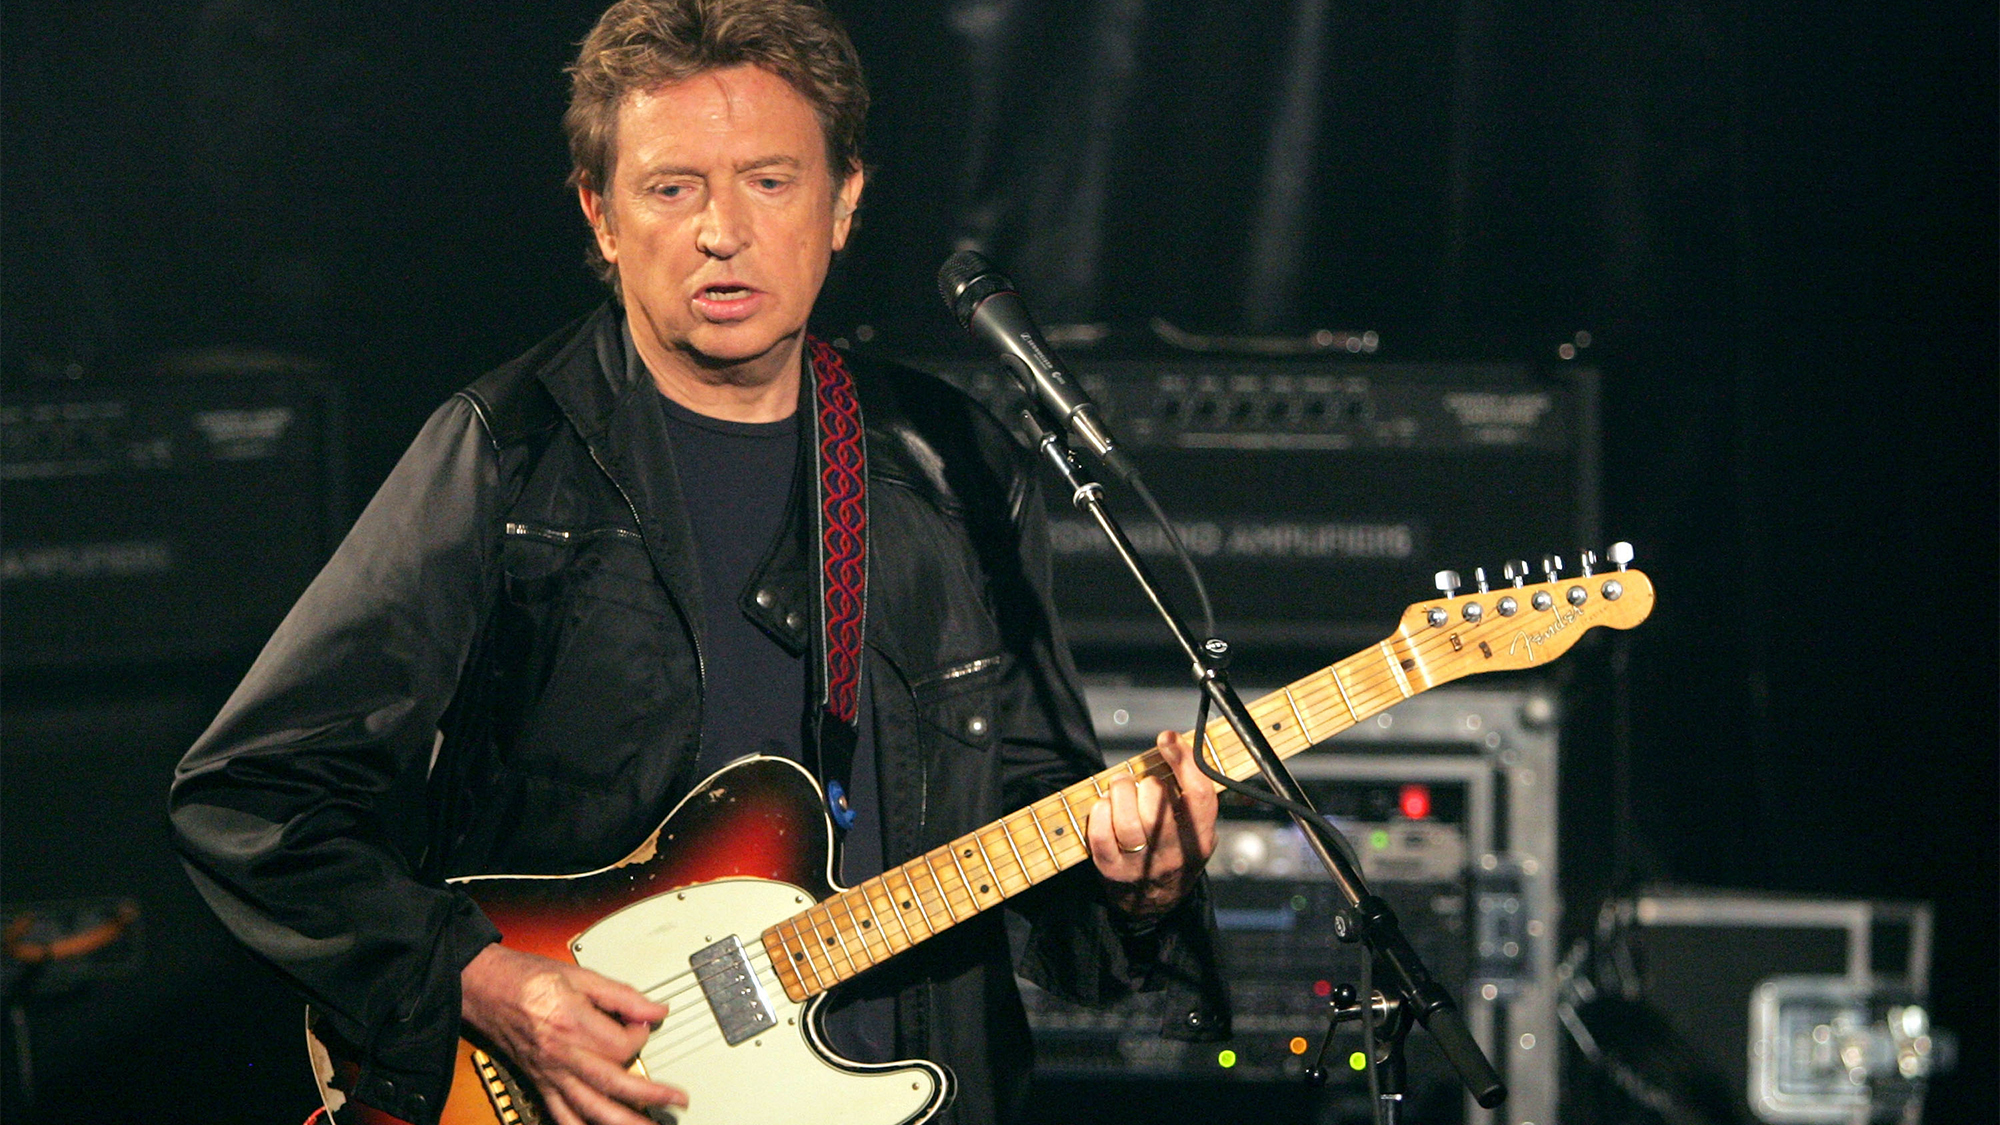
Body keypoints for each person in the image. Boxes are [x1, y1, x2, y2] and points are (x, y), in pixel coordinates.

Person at [170, 2, 1228, 1124]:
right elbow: (250, 798)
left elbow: (1037, 826)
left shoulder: (956, 467)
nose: (723, 230)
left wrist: (1143, 879)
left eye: (770, 181)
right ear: (601, 214)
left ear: (843, 201)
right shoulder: (509, 455)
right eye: (673, 188)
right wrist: (485, 978)